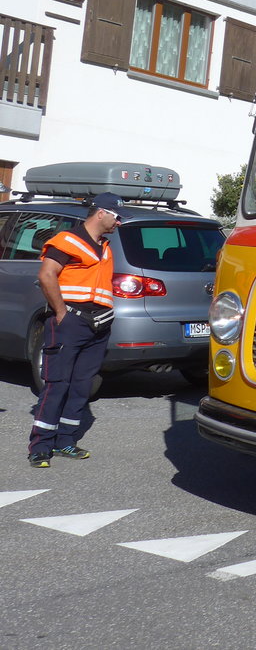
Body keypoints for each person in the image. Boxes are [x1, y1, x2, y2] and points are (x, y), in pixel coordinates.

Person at [28, 191, 122, 468]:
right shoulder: (66, 240)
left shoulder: (105, 246)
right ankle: (40, 445)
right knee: (57, 384)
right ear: (101, 213)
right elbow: (46, 275)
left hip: (99, 324)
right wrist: (61, 313)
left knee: (82, 385)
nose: (119, 223)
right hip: (70, 321)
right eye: (117, 217)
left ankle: (65, 440)